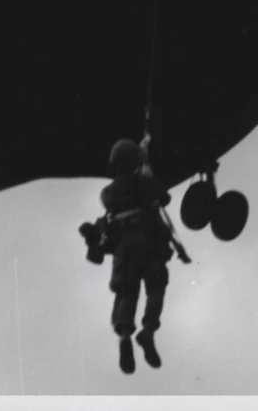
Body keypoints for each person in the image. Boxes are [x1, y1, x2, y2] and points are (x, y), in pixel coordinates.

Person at [99, 138, 174, 374]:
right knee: (156, 286)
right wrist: (148, 176)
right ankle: (148, 332)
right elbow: (164, 198)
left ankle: (124, 339)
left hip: (124, 249)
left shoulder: (108, 192)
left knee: (126, 292)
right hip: (148, 243)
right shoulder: (145, 183)